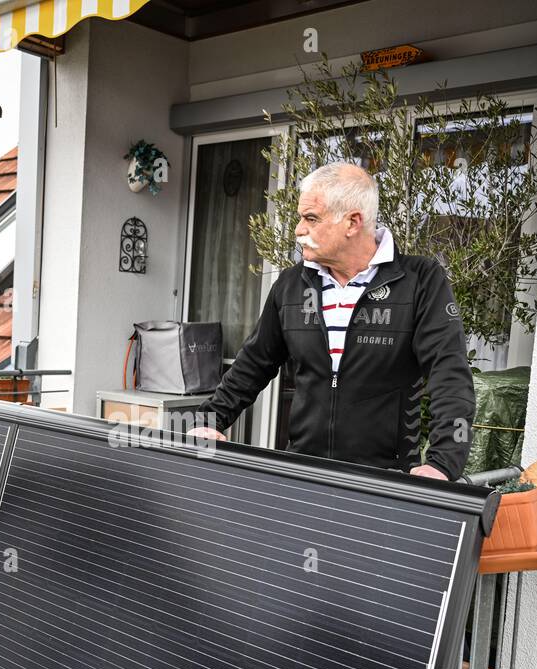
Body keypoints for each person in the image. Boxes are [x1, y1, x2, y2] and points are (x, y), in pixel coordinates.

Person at [188, 161, 476, 481]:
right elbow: (253, 364)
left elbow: (449, 373)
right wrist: (209, 420)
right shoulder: (291, 284)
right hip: (302, 474)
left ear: (352, 222)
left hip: (386, 480)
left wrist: (443, 463)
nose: (298, 229)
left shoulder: (419, 280)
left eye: (311, 218)